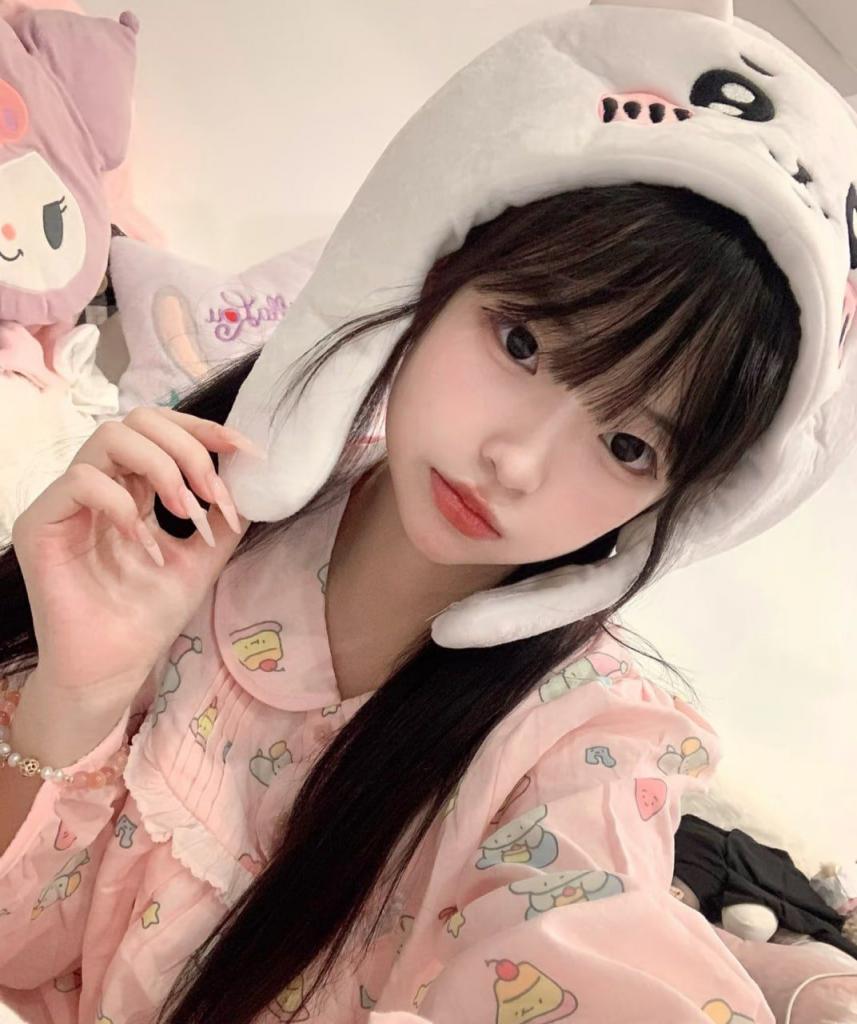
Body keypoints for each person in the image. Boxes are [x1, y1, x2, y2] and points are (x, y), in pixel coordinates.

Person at [1, 0, 856, 1022]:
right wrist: (74, 698)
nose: (515, 462)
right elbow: (20, 948)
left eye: (629, 446)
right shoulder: (202, 506)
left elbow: (588, 944)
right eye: (522, 343)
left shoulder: (587, 745)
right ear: (437, 272)